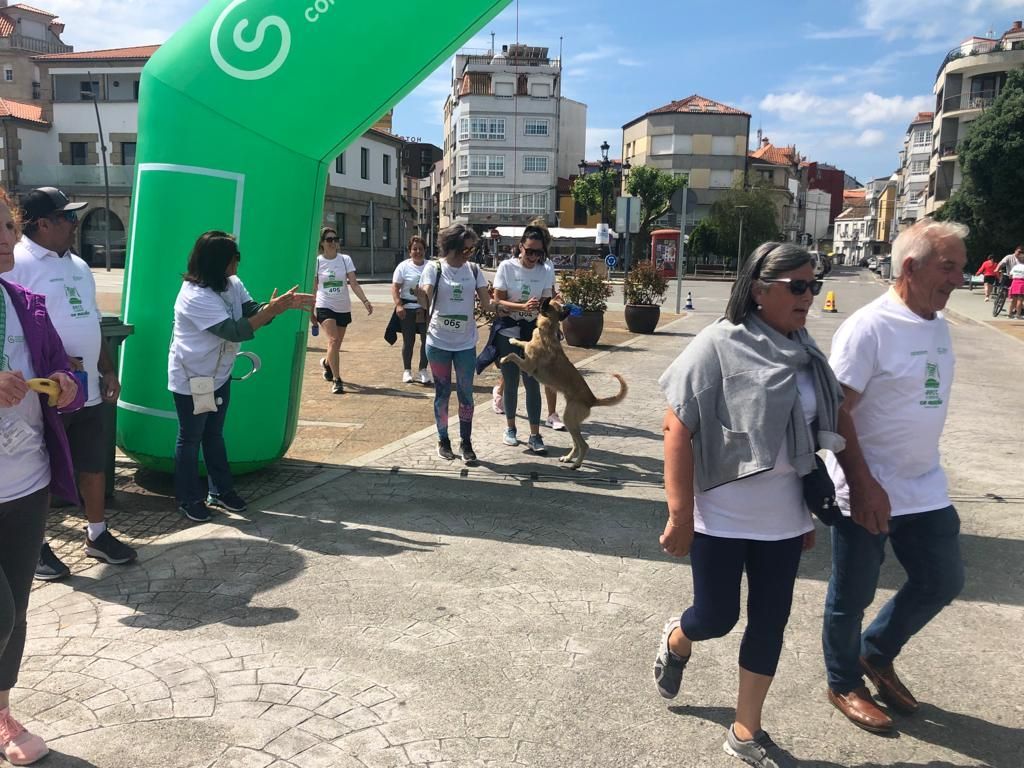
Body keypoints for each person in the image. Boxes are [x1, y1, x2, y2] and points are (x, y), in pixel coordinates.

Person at [657, 242, 842, 768]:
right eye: (798, 287)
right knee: (716, 617)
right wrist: (680, 514)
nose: (810, 297)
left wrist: (805, 513)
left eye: (814, 286)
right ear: (760, 290)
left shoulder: (805, 352)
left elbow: (805, 438)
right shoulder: (717, 344)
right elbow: (677, 428)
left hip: (783, 517)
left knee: (769, 623)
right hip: (721, 514)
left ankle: (745, 730)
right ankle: (677, 638)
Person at [822, 219, 968, 735]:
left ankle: (875, 653)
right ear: (911, 267)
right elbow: (836, 412)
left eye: (961, 266)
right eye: (948, 266)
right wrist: (861, 482)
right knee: (851, 596)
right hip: (868, 488)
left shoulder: (936, 321)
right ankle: (843, 681)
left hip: (924, 486)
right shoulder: (870, 327)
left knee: (942, 579)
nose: (960, 278)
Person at [6, 186, 136, 581]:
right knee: (42, 468)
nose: (74, 222)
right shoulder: (19, 262)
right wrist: (57, 363)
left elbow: (92, 321)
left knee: (93, 464)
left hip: (88, 387)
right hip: (47, 392)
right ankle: (38, 545)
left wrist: (108, 369)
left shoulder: (78, 265)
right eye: (67, 217)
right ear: (42, 223)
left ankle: (96, 534)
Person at [0, 186, 82, 765]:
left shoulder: (23, 301)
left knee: (18, 608)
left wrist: (68, 388)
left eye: (6, 226)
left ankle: (2, 710)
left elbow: (58, 371)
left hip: (25, 482)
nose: (8, 237)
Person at [168, 231, 313, 522]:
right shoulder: (194, 295)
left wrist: (275, 308)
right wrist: (271, 310)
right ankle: (188, 498)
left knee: (214, 434)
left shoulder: (231, 284)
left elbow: (250, 310)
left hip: (218, 374)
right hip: (195, 377)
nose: (238, 263)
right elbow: (234, 330)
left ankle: (220, 491)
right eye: (234, 258)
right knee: (191, 438)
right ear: (217, 261)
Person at [417, 224, 494, 464]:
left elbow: (487, 303)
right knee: (442, 392)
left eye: (472, 250)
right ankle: (443, 440)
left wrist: (514, 306)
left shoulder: (473, 269)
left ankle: (466, 442)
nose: (469, 255)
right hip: (438, 342)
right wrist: (420, 295)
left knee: (466, 394)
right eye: (466, 250)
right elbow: (426, 294)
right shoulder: (434, 268)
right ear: (451, 247)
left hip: (465, 343)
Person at [493, 223, 554, 454]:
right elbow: (497, 301)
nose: (534, 257)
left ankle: (535, 435)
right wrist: (521, 306)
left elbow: (547, 303)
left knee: (532, 384)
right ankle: (510, 429)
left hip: (532, 334)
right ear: (520, 247)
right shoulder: (507, 268)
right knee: (510, 381)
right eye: (529, 251)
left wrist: (552, 310)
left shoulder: (546, 269)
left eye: (539, 253)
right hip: (508, 331)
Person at [311, 226, 372, 394]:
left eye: (335, 239)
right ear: (322, 243)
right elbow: (314, 289)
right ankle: (337, 380)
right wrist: (311, 312)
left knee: (336, 345)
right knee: (333, 340)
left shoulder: (345, 259)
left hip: (343, 307)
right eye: (329, 240)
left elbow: (354, 283)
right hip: (325, 305)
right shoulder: (317, 262)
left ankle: (326, 363)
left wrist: (365, 301)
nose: (333, 243)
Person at [391, 235, 431, 384]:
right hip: (408, 308)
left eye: (421, 249)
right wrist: (399, 305)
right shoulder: (403, 267)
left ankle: (423, 370)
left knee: (426, 341)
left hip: (425, 309)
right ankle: (407, 370)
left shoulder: (431, 266)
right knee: (409, 341)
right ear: (410, 251)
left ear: (425, 250)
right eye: (414, 249)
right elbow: (395, 287)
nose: (418, 252)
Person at [1002, 247, 1024, 319]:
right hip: (1022, 283)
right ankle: (1018, 315)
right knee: (1020, 300)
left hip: (1014, 283)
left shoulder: (1015, 267)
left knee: (1013, 300)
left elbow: (1010, 276)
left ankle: (1009, 314)